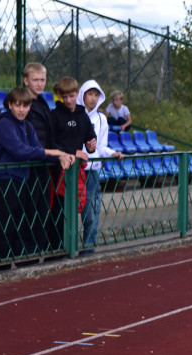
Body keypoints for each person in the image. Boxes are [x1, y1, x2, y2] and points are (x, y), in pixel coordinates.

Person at [0, 88, 74, 271]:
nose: (21, 109)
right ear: (10, 105)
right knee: (5, 222)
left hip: (21, 180)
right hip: (4, 179)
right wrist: (52, 152)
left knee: (18, 221)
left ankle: (17, 260)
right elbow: (20, 151)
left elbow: (36, 151)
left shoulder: (27, 126)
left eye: (25, 106)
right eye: (17, 105)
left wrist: (60, 156)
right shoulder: (4, 123)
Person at [21, 62, 63, 255]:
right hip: (30, 166)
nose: (40, 84)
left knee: (43, 211)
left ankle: (40, 250)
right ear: (25, 80)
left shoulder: (43, 102)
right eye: (35, 80)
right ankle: (28, 254)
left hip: (45, 164)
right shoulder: (21, 103)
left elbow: (50, 134)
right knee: (30, 212)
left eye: (43, 80)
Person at [78, 79, 122, 254]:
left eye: (96, 95)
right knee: (69, 210)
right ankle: (65, 248)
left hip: (93, 171)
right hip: (74, 170)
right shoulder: (75, 115)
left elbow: (101, 146)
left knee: (91, 212)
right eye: (90, 94)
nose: (93, 99)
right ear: (83, 94)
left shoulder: (102, 119)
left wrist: (112, 153)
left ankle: (88, 248)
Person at [50, 77, 97, 234]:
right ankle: (56, 252)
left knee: (72, 213)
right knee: (57, 213)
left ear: (77, 93)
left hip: (76, 172)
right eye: (64, 97)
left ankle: (69, 249)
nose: (68, 100)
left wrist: (91, 145)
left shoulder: (82, 116)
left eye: (71, 96)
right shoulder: (54, 115)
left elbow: (90, 140)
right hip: (58, 172)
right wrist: (72, 151)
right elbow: (50, 143)